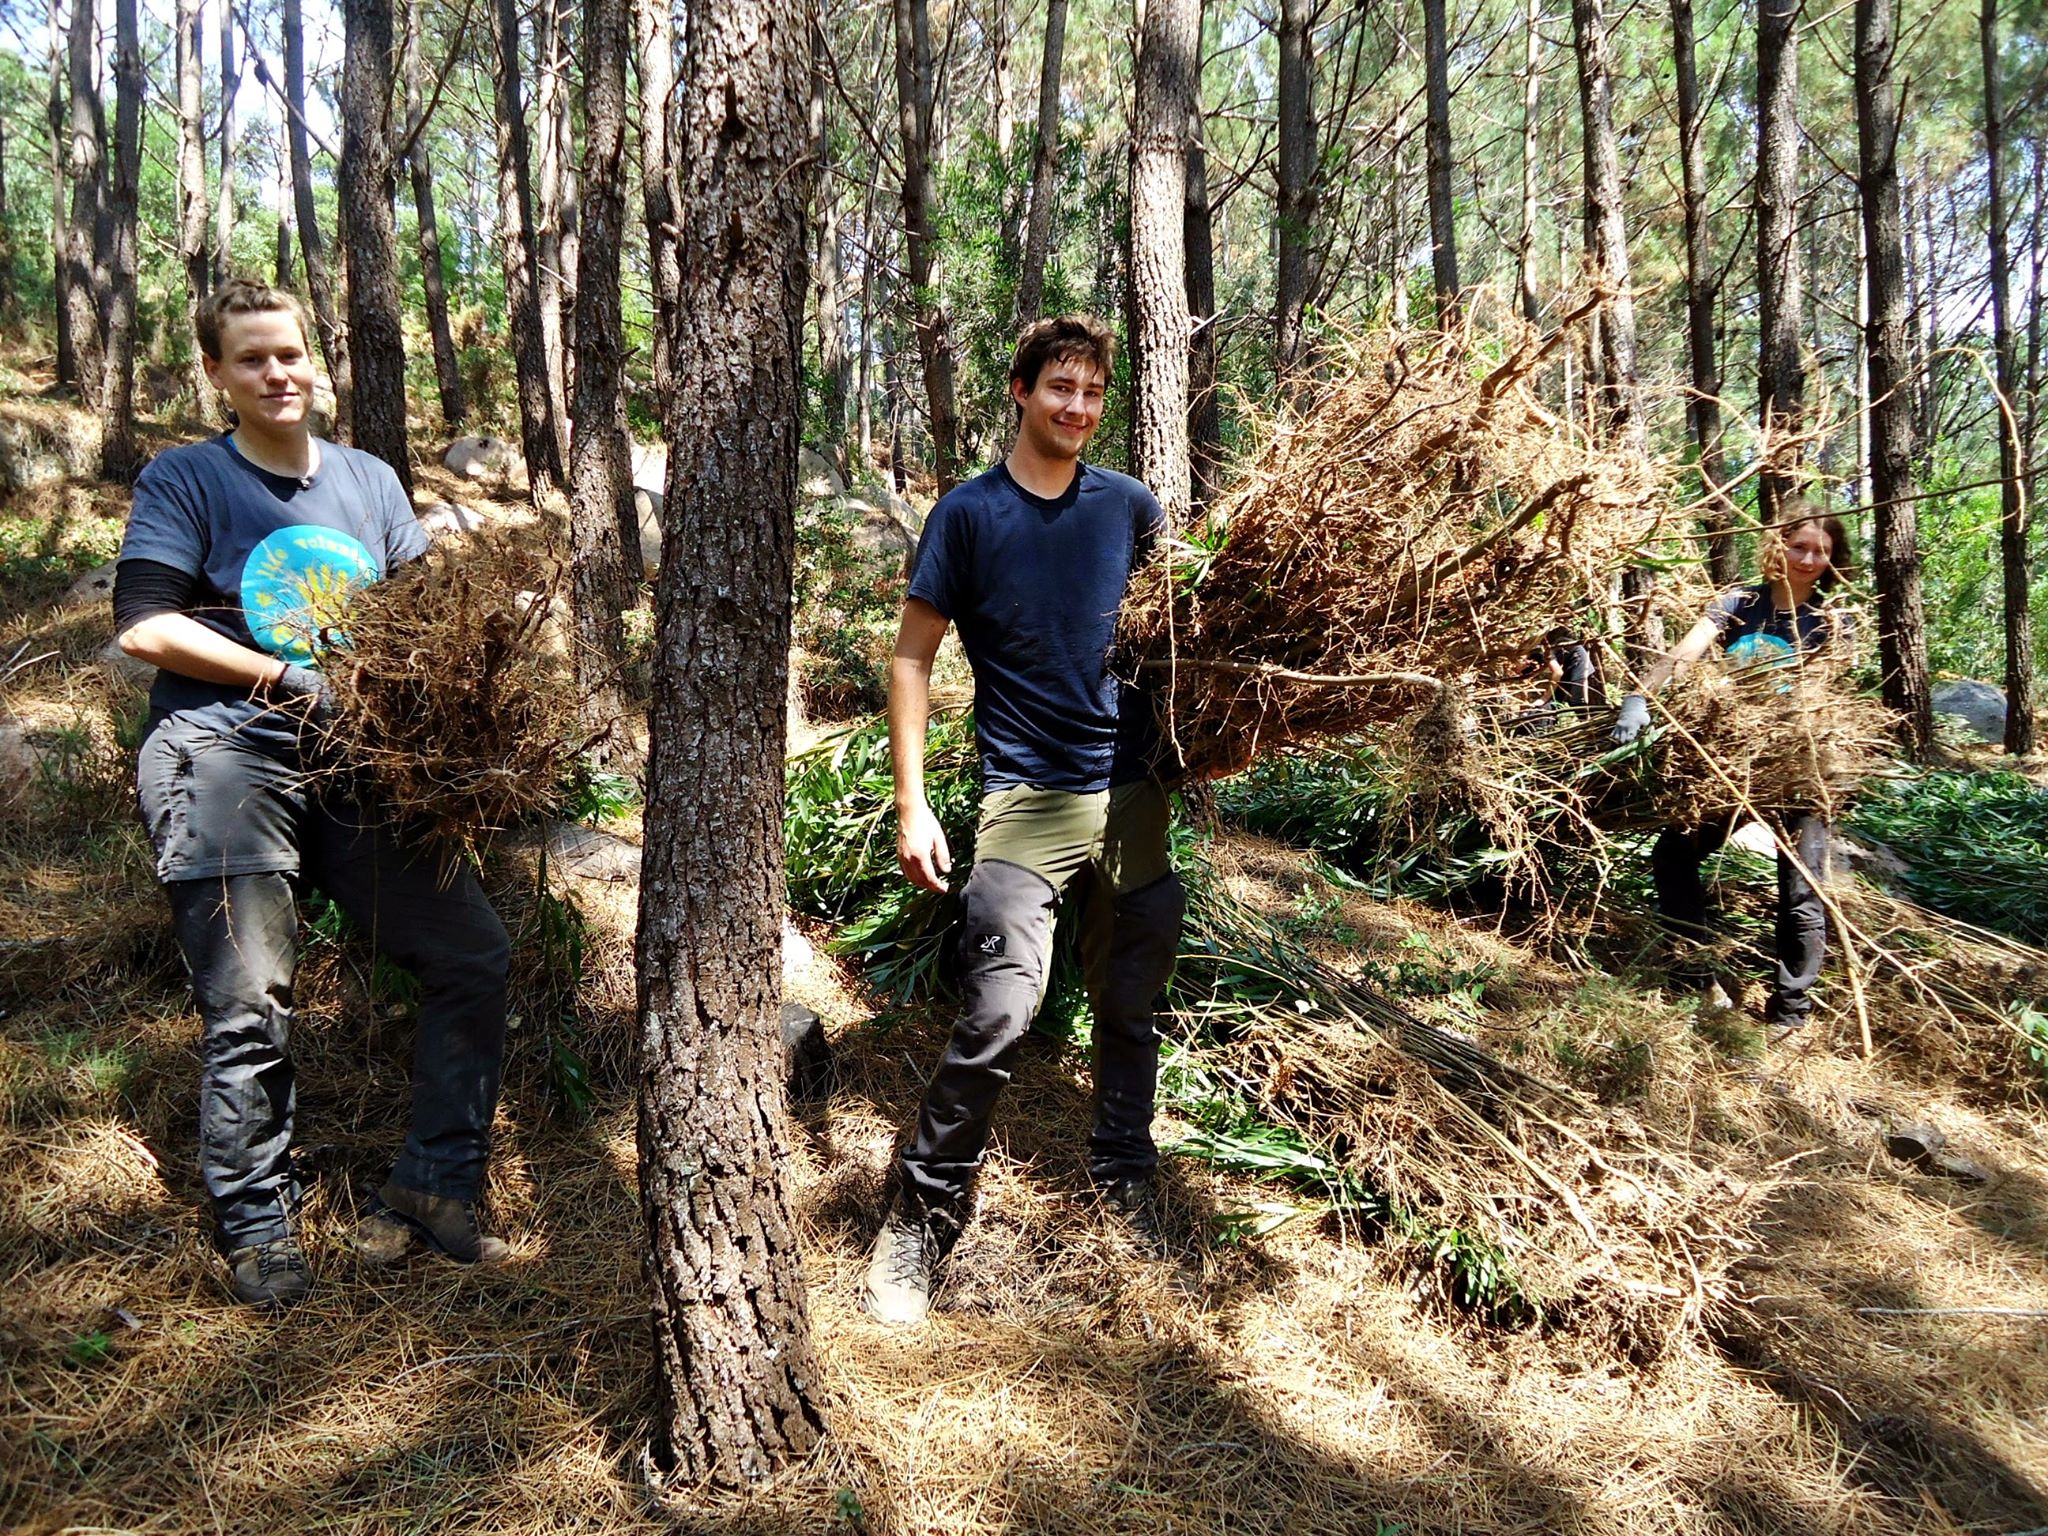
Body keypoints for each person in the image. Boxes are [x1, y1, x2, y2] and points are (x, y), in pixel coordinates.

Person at [114, 277, 513, 1308]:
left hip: (354, 760)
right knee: (250, 996)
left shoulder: (370, 482)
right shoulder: (187, 479)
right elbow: (145, 625)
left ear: (317, 359)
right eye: (250, 358)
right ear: (215, 373)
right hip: (222, 752)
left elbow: (425, 620)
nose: (275, 373)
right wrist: (288, 679)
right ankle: (257, 1224)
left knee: (469, 950)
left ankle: (435, 1185)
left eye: (288, 353)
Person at [862, 314, 1185, 1326]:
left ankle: (1123, 1174)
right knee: (1000, 1007)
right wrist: (913, 802)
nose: (1077, 408)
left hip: (1130, 795)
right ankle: (917, 1216)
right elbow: (911, 655)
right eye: (1059, 388)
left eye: (1092, 393)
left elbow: (1177, 637)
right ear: (1019, 390)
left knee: (1130, 1003)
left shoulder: (1129, 507)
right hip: (1023, 796)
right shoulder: (968, 515)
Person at [1609, 512, 1855, 1039]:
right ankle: (1697, 977)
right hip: (1735, 762)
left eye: (1821, 550)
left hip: (1801, 769)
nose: (1810, 559)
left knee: (1802, 889)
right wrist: (1639, 697)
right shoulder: (1739, 604)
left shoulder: (1832, 619)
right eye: (1800, 546)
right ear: (1777, 546)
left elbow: (1833, 698)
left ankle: (1790, 1014)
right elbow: (1684, 653)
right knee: (1674, 854)